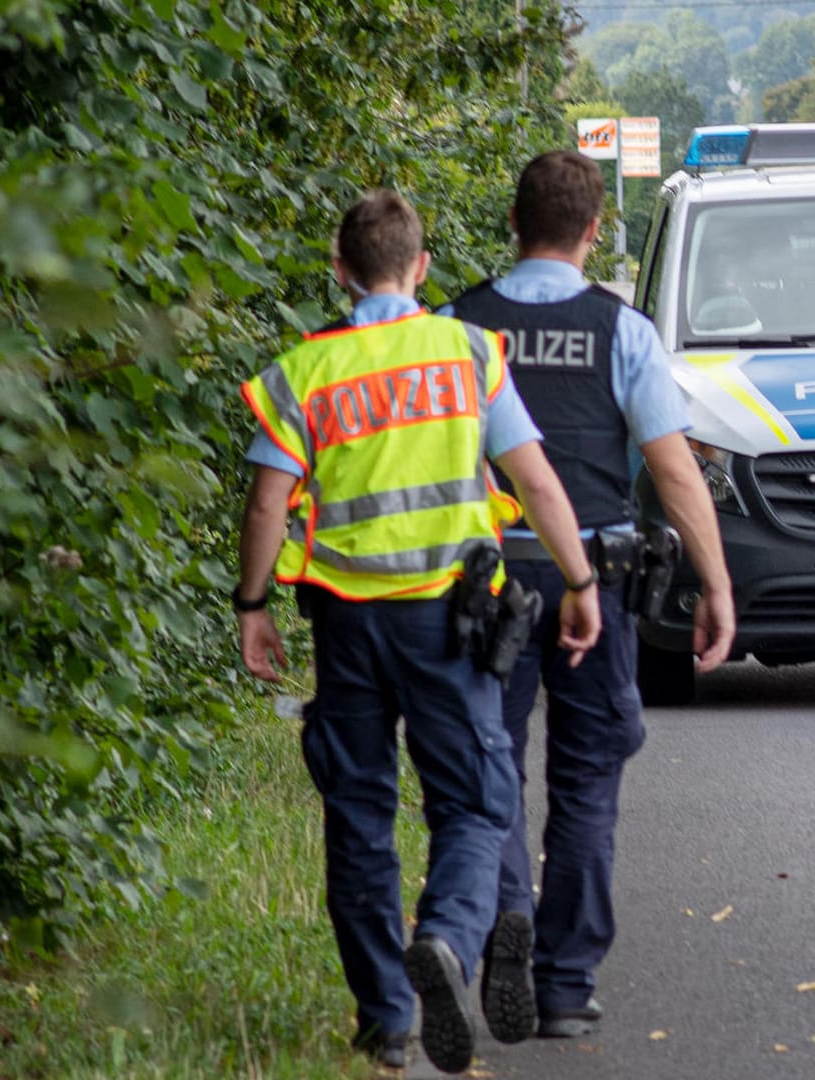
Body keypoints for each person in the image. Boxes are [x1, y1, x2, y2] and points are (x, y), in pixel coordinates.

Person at [235, 189, 603, 1074]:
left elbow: (266, 503)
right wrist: (580, 582)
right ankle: (445, 936)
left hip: (347, 625)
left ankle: (387, 1018)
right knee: (476, 804)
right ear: (422, 267)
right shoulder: (467, 353)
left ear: (339, 271)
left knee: (357, 810)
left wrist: (252, 607)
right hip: (448, 620)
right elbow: (538, 481)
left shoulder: (303, 372)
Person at [443, 151, 737, 1041]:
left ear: (512, 224)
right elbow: (675, 473)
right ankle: (565, 983)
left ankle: (504, 920)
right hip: (591, 588)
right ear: (594, 231)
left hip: (481, 584)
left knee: (488, 764)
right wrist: (715, 584)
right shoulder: (623, 331)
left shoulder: (460, 326)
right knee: (586, 777)